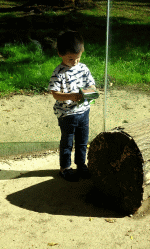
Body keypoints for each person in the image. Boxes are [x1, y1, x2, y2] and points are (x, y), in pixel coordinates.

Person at [48, 30, 96, 182]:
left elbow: (92, 84)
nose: (75, 61)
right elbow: (55, 93)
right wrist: (71, 97)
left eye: (77, 58)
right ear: (60, 54)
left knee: (83, 141)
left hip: (83, 111)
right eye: (70, 59)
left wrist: (91, 92)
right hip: (67, 114)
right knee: (67, 142)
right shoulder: (59, 73)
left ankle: (81, 164)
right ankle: (65, 168)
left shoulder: (83, 68)